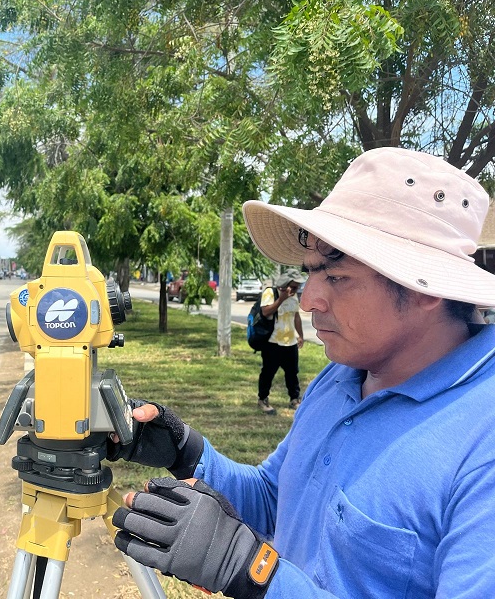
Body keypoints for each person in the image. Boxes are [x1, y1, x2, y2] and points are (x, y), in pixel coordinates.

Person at [108, 147, 495, 598]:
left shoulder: (482, 443)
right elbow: (277, 498)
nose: (309, 300)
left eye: (336, 277)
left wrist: (256, 575)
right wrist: (187, 452)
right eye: (310, 274)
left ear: (424, 286)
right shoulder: (342, 375)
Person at [257, 268, 305, 414]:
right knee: (268, 373)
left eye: (298, 286)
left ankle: (294, 399)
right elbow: (265, 312)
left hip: (290, 342)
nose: (297, 289)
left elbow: (296, 316)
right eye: (294, 286)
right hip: (273, 342)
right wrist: (281, 299)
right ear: (286, 283)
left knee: (292, 373)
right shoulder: (270, 293)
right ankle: (263, 399)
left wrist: (301, 335)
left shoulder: (294, 296)